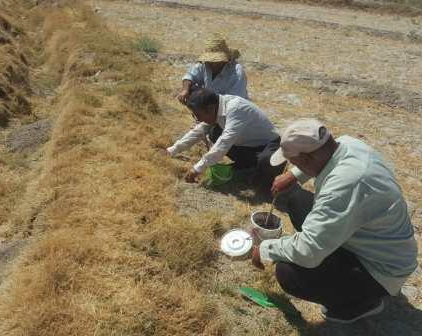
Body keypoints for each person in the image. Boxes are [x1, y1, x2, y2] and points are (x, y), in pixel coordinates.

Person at [251, 119, 418, 323]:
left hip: (381, 268)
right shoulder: (348, 143)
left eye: (294, 162)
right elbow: (322, 157)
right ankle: (349, 280)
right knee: (297, 200)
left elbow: (308, 251)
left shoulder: (344, 186)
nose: (292, 166)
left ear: (308, 157)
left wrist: (266, 249)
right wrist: (293, 175)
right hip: (366, 241)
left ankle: (360, 305)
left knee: (288, 273)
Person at [167, 88, 285, 187]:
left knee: (265, 167)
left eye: (198, 115)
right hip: (247, 145)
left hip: (269, 145)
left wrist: (197, 169)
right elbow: (199, 130)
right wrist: (173, 150)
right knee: (214, 132)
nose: (198, 119)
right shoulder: (216, 107)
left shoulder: (236, 109)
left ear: (210, 108)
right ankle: (248, 166)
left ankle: (260, 174)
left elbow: (225, 142)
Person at [176, 34, 248, 105]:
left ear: (224, 60)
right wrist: (185, 90)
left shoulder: (237, 71)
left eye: (215, 61)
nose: (211, 63)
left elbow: (236, 101)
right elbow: (190, 75)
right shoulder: (206, 65)